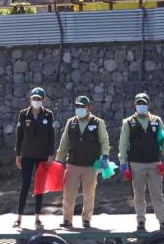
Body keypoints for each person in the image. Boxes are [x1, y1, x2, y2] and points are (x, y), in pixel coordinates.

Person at [118, 93, 164, 232]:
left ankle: (163, 221)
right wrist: (123, 162)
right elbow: (123, 144)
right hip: (136, 163)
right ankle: (140, 221)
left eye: (144, 103)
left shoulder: (156, 120)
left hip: (154, 163)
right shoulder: (128, 122)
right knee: (139, 194)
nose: (141, 105)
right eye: (139, 103)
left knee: (157, 193)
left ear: (148, 104)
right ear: (135, 105)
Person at [55, 95, 109, 229]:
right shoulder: (71, 122)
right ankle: (67, 219)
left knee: (89, 194)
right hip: (73, 164)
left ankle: (86, 219)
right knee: (68, 193)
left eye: (82, 106)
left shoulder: (98, 122)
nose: (79, 109)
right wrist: (58, 160)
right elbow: (64, 142)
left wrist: (105, 156)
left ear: (89, 107)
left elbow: (104, 140)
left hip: (91, 165)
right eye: (77, 106)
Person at [15, 87, 56, 229]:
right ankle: (19, 218)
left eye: (38, 98)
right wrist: (18, 154)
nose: (36, 101)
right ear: (30, 99)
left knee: (39, 187)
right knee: (25, 186)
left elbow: (52, 136)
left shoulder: (48, 115)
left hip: (42, 156)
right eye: (34, 98)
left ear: (43, 99)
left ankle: (37, 218)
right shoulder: (23, 114)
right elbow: (19, 135)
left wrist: (51, 154)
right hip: (26, 155)